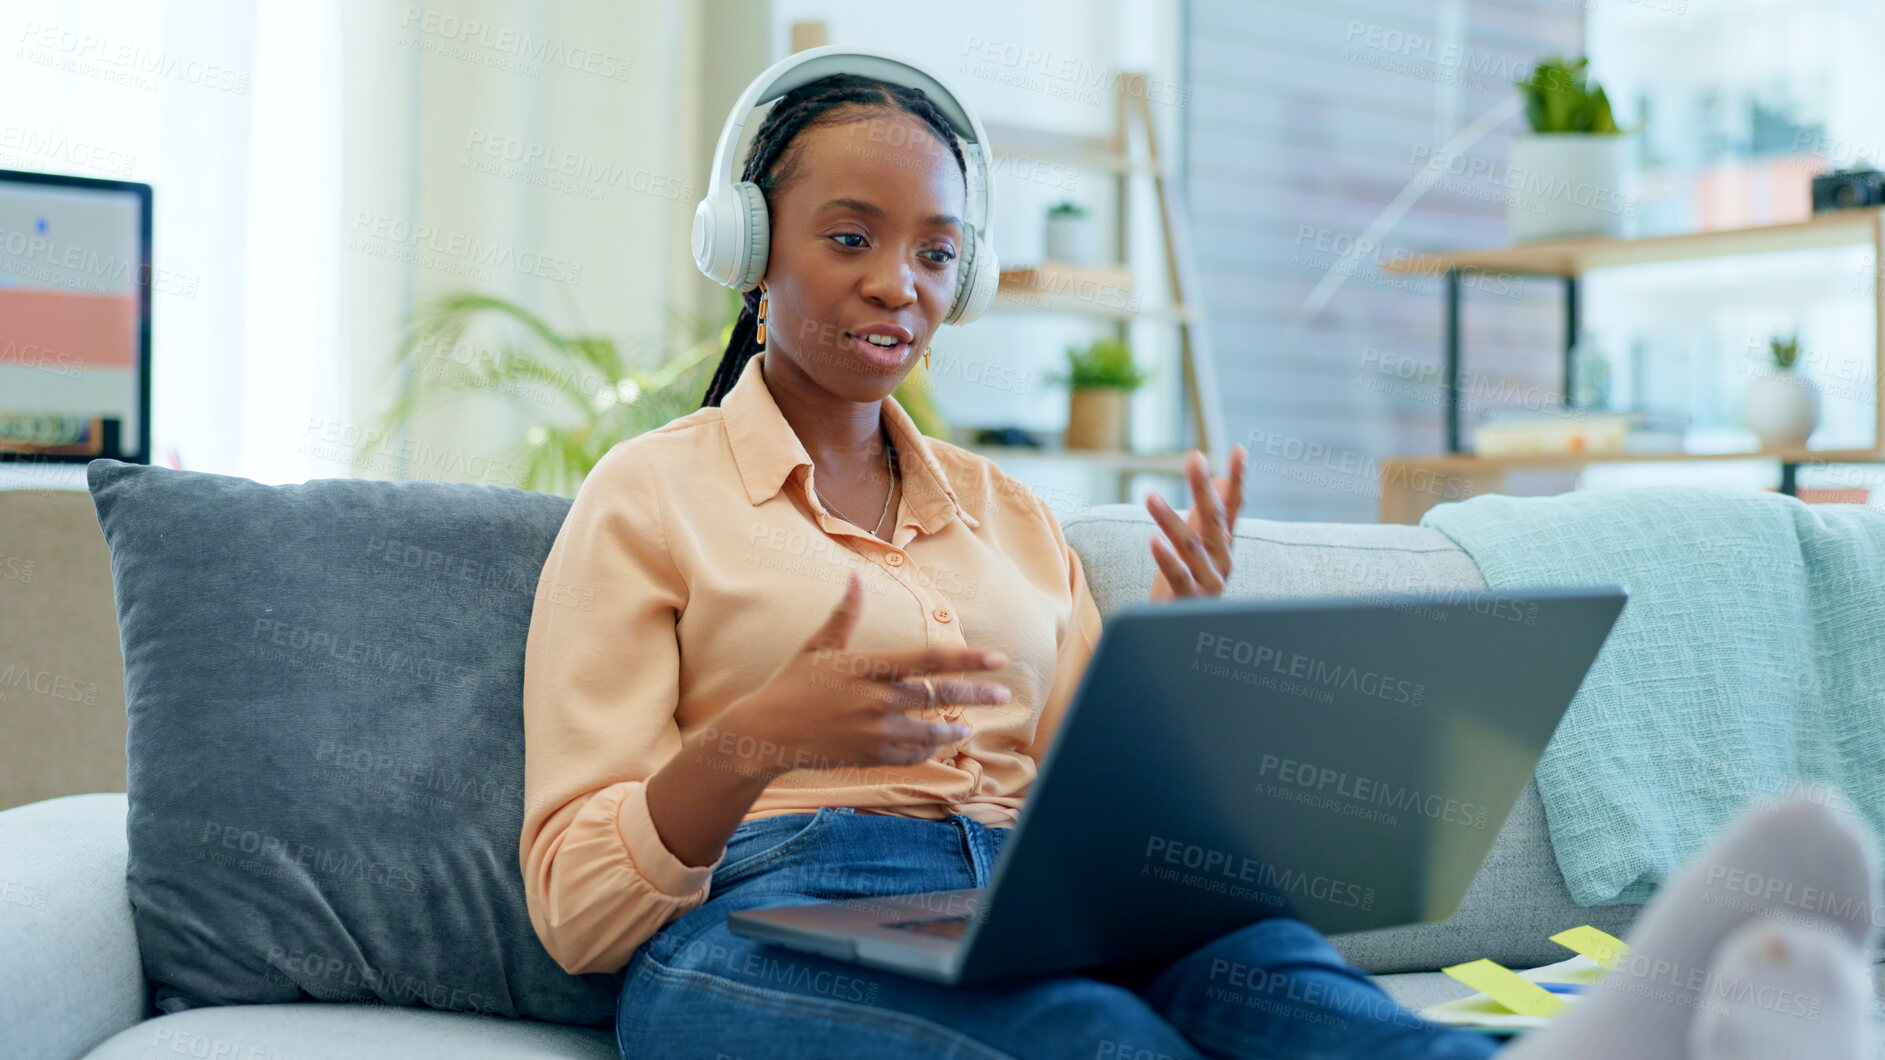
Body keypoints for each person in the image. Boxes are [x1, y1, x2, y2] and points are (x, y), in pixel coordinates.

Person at [519, 71, 1881, 1059]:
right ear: (748, 253)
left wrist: (1196, 654)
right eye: (849, 237)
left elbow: (1090, 813)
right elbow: (579, 905)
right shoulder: (650, 495)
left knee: (1284, 980)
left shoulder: (1009, 515)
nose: (898, 285)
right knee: (1084, 1036)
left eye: (936, 251)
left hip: (1017, 892)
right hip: (763, 918)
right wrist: (762, 735)